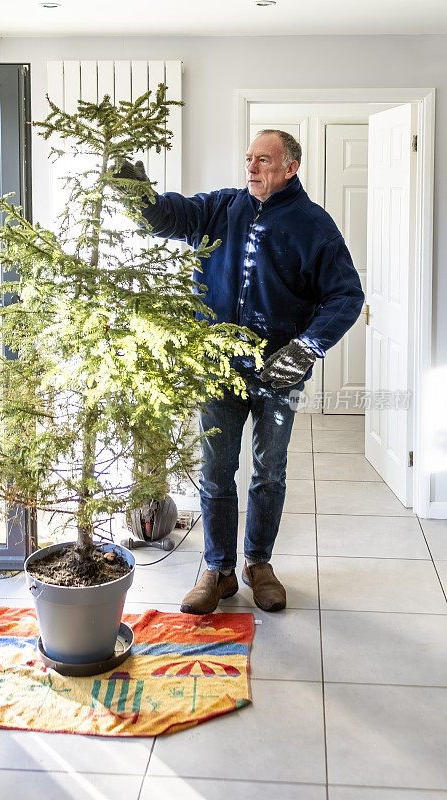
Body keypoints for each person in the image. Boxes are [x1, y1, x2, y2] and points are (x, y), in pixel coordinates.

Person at [119, 130, 364, 614]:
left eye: (264, 160)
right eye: (248, 158)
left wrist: (305, 349)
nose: (251, 167)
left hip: (280, 374)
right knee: (215, 472)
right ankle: (218, 570)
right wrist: (136, 193)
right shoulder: (220, 208)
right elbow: (166, 216)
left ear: (290, 167)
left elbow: (346, 296)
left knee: (269, 473)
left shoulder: (315, 225)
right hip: (217, 371)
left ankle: (258, 564)